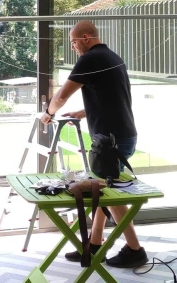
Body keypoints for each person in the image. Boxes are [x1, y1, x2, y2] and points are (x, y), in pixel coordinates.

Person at [41, 20, 147, 268]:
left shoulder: (90, 59)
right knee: (102, 189)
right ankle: (95, 245)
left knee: (110, 195)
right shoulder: (111, 56)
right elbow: (113, 96)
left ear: (86, 38)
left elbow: (62, 95)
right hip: (121, 134)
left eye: (74, 42)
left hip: (111, 141)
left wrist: (49, 113)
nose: (73, 47)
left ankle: (135, 250)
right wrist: (84, 112)